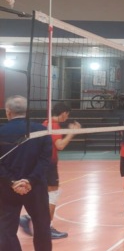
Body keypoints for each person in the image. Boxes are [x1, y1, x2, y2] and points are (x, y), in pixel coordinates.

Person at [0, 95, 61, 251]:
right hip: (35, 188)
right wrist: (29, 181)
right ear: (27, 111)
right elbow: (45, 161)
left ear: (8, 112)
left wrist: (12, 182)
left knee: (6, 229)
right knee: (41, 225)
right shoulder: (41, 131)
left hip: (6, 188)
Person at [19, 102, 81, 240]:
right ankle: (47, 228)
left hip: (41, 163)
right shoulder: (54, 125)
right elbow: (60, 146)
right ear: (63, 113)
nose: (67, 118)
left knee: (45, 196)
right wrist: (72, 133)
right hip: (49, 165)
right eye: (67, 115)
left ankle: (28, 217)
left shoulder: (45, 122)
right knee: (53, 194)